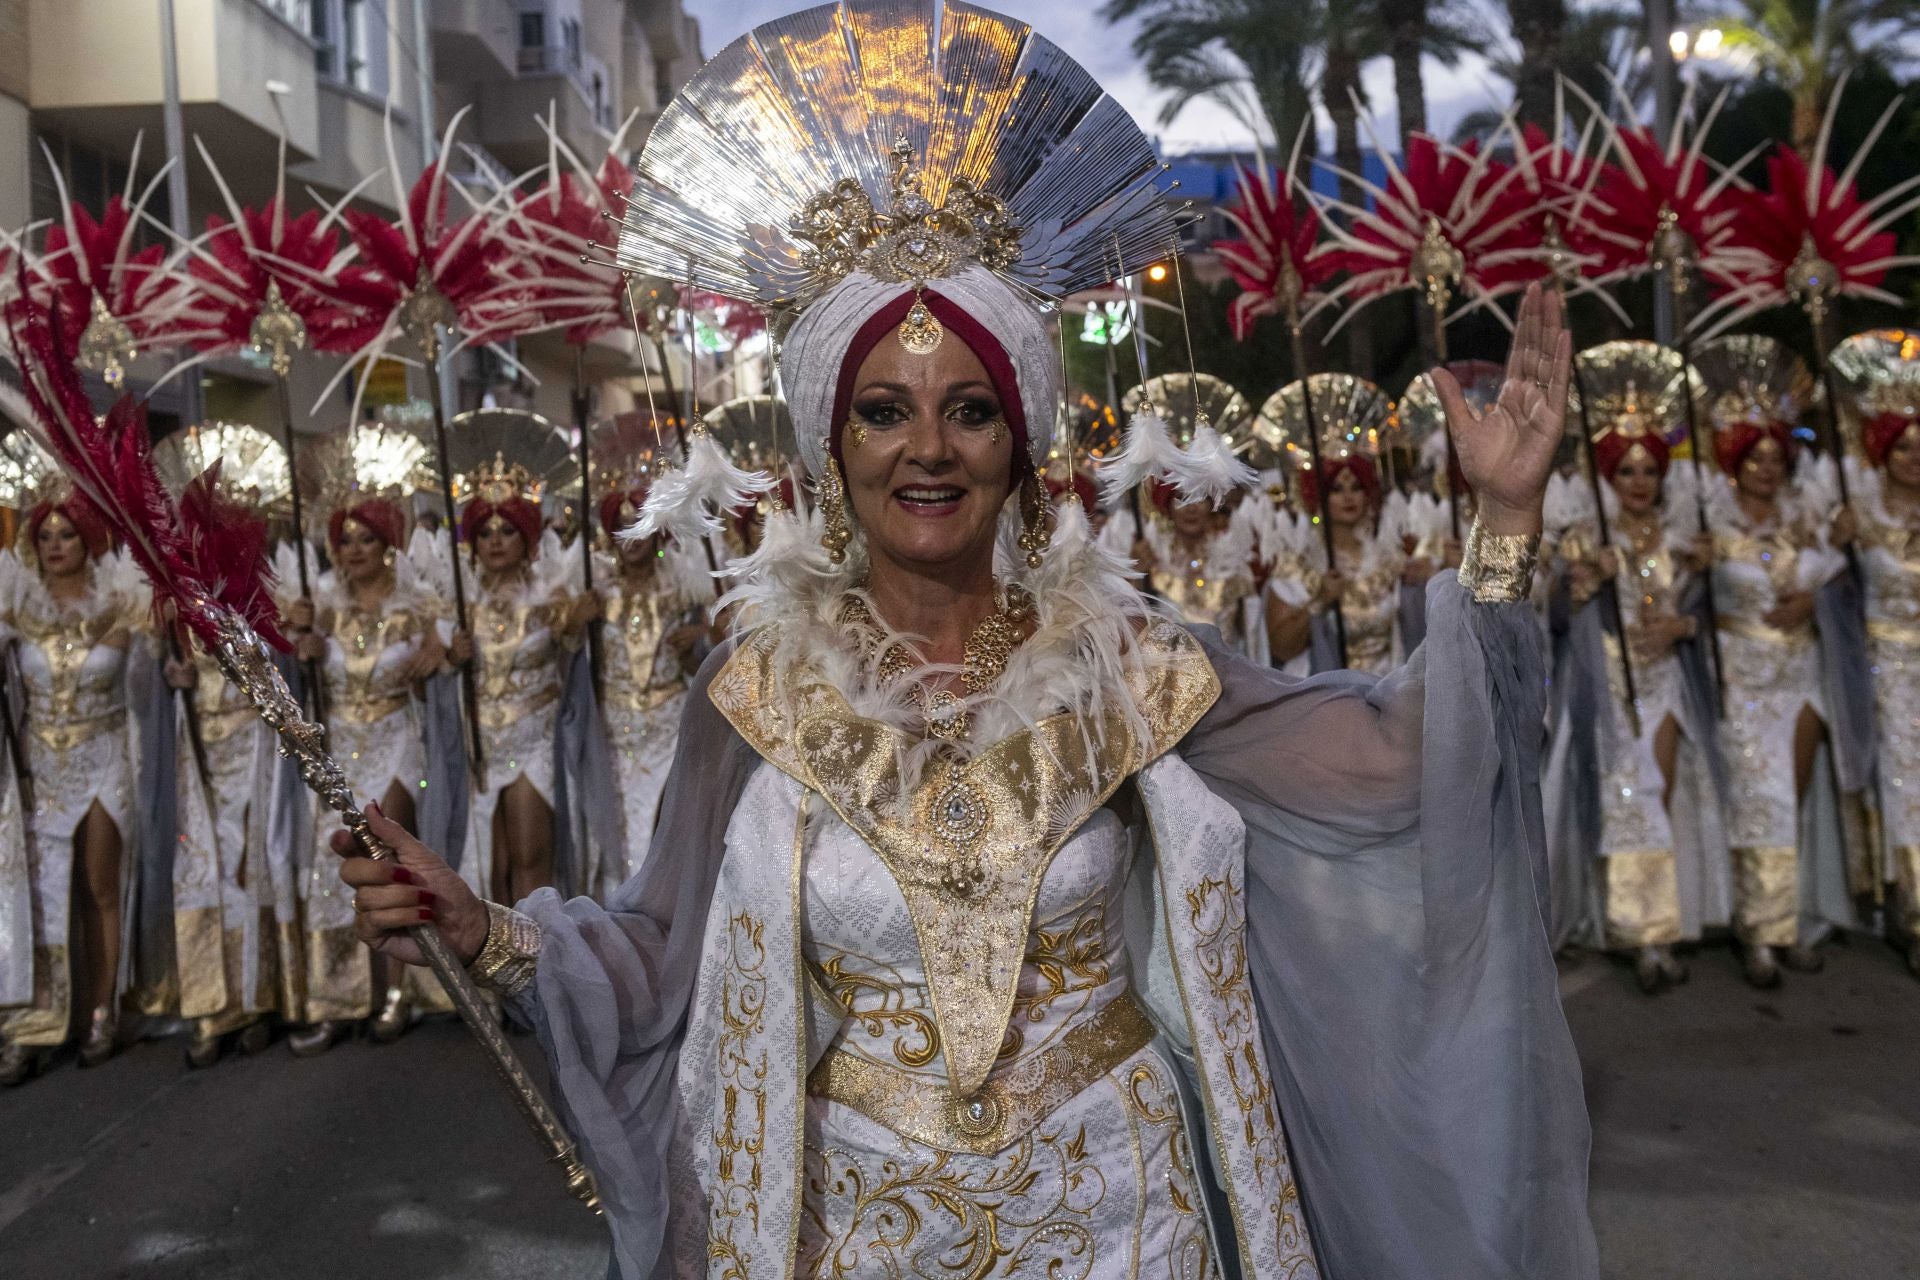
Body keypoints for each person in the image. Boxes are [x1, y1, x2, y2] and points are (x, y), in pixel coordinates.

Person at [327, 6, 1596, 1276]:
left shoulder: (1128, 660)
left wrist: (1504, 522)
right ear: (833, 448)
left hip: (1128, 1226)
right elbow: (662, 954)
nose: (927, 449)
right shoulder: (755, 690)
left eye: (970, 411)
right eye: (885, 411)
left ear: (1023, 446)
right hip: (856, 1235)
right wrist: (484, 923)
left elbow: (1393, 755)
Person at [1543, 349, 1726, 989]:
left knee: (1661, 792)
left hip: (1667, 681)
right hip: (1609, 680)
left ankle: (1653, 927)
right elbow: (1560, 616)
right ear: (1609, 477)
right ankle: (1641, 936)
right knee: (1626, 797)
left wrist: (1684, 623)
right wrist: (1585, 581)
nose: (1640, 481)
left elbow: (1719, 617)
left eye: (1650, 469)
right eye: (1627, 470)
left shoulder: (1686, 541)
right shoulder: (1583, 540)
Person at [1698, 336, 1850, 987]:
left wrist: (1814, 599)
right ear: (1734, 461)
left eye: (1775, 458)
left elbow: (1843, 585)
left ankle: (1789, 922)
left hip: (1801, 675)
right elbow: (1676, 596)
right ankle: (1758, 931)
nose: (1765, 468)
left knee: (1793, 795)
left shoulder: (1806, 519)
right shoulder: (1706, 520)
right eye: (1753, 458)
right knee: (1755, 799)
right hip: (1739, 676)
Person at [282, 495, 447, 1054]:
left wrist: (441, 660)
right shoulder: (318, 604)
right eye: (345, 540)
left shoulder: (418, 607)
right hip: (338, 747)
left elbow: (438, 673)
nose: (353, 550)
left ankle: (399, 989)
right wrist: (299, 645)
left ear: (388, 547)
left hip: (397, 739)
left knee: (388, 859)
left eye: (366, 540)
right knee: (337, 867)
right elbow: (290, 673)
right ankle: (340, 995)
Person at [0, 493, 146, 1083]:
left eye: (67, 534)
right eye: (45, 536)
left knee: (97, 884)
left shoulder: (123, 607)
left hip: (106, 755)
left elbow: (155, 678)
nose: (56, 545)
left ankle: (99, 1010)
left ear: (89, 542)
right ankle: (34, 1022)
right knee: (41, 892)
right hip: (40, 766)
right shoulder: (17, 610)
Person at [445, 459, 596, 907]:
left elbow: (574, 654)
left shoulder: (552, 598)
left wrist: (579, 622)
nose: (495, 541)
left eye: (507, 531)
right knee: (493, 862)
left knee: (531, 853)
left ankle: (537, 957)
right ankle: (496, 964)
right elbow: (428, 677)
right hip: (482, 746)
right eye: (486, 533)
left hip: (534, 739)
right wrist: (453, 654)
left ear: (527, 537)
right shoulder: (460, 603)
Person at [1830, 329, 1920, 976]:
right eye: (1904, 447)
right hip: (1887, 670)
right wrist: (1839, 546)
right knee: (1905, 786)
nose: (1914, 457)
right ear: (1883, 452)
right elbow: (1826, 589)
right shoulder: (1855, 513)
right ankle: (1911, 908)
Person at [592, 484, 710, 897]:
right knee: (616, 832)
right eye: (622, 527)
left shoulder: (683, 591)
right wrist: (570, 625)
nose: (632, 537)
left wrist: (698, 639)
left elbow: (706, 662)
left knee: (667, 827)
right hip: (613, 731)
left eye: (640, 524)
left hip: (669, 728)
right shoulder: (596, 596)